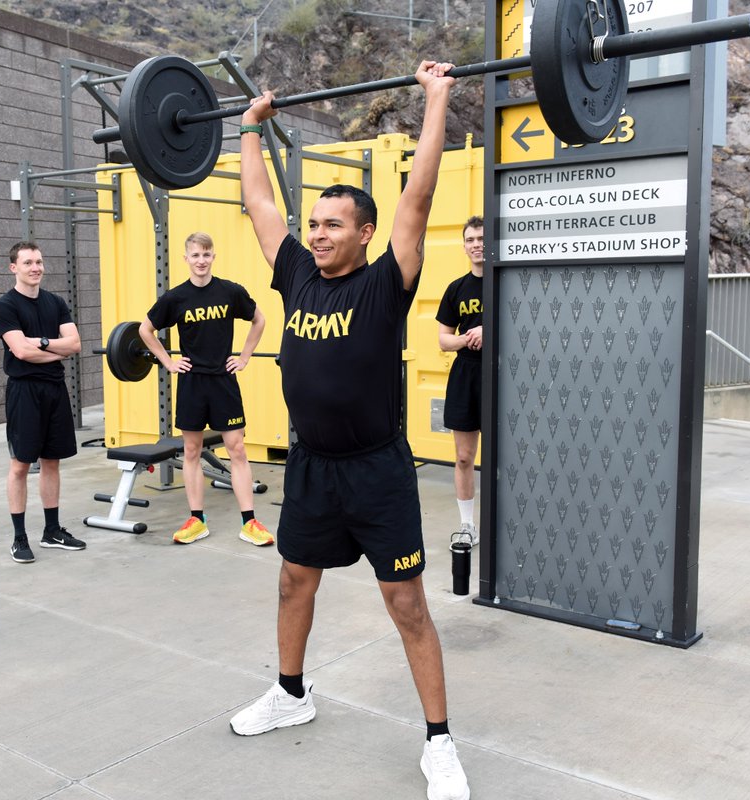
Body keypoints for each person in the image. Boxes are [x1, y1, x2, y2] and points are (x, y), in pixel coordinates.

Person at [228, 62, 470, 800]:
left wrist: (436, 101)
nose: (320, 233)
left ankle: (439, 743)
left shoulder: (385, 280)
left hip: (376, 469)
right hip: (311, 468)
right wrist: (248, 129)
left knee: (406, 605)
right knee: (293, 580)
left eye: (336, 225)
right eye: (316, 224)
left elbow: (419, 196)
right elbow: (260, 203)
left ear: (365, 233)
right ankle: (292, 693)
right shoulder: (296, 271)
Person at [137, 232, 273, 546]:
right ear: (186, 259)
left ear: (214, 257)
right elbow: (145, 329)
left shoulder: (230, 292)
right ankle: (197, 519)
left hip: (223, 381)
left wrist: (245, 356)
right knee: (192, 451)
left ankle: (249, 521)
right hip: (192, 382)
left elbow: (259, 320)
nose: (201, 261)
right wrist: (167, 361)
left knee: (237, 449)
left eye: (206, 255)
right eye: (195, 255)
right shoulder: (175, 297)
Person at [0, 241, 85, 564]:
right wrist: (53, 349)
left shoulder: (55, 302)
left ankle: (52, 530)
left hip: (55, 390)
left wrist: (43, 342)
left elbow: (75, 345)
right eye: (28, 262)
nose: (36, 268)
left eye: (39, 262)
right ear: (13, 267)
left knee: (52, 461)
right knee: (20, 465)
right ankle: (19, 538)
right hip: (24, 391)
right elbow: (20, 352)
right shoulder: (5, 306)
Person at [436, 217, 485, 550]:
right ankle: (467, 526)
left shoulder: (508, 282)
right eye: (470, 239)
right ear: (464, 245)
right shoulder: (456, 288)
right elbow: (443, 340)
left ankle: (504, 521)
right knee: (464, 457)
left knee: (504, 459)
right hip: (465, 375)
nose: (476, 244)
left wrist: (490, 331)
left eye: (482, 238)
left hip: (502, 375)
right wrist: (470, 337)